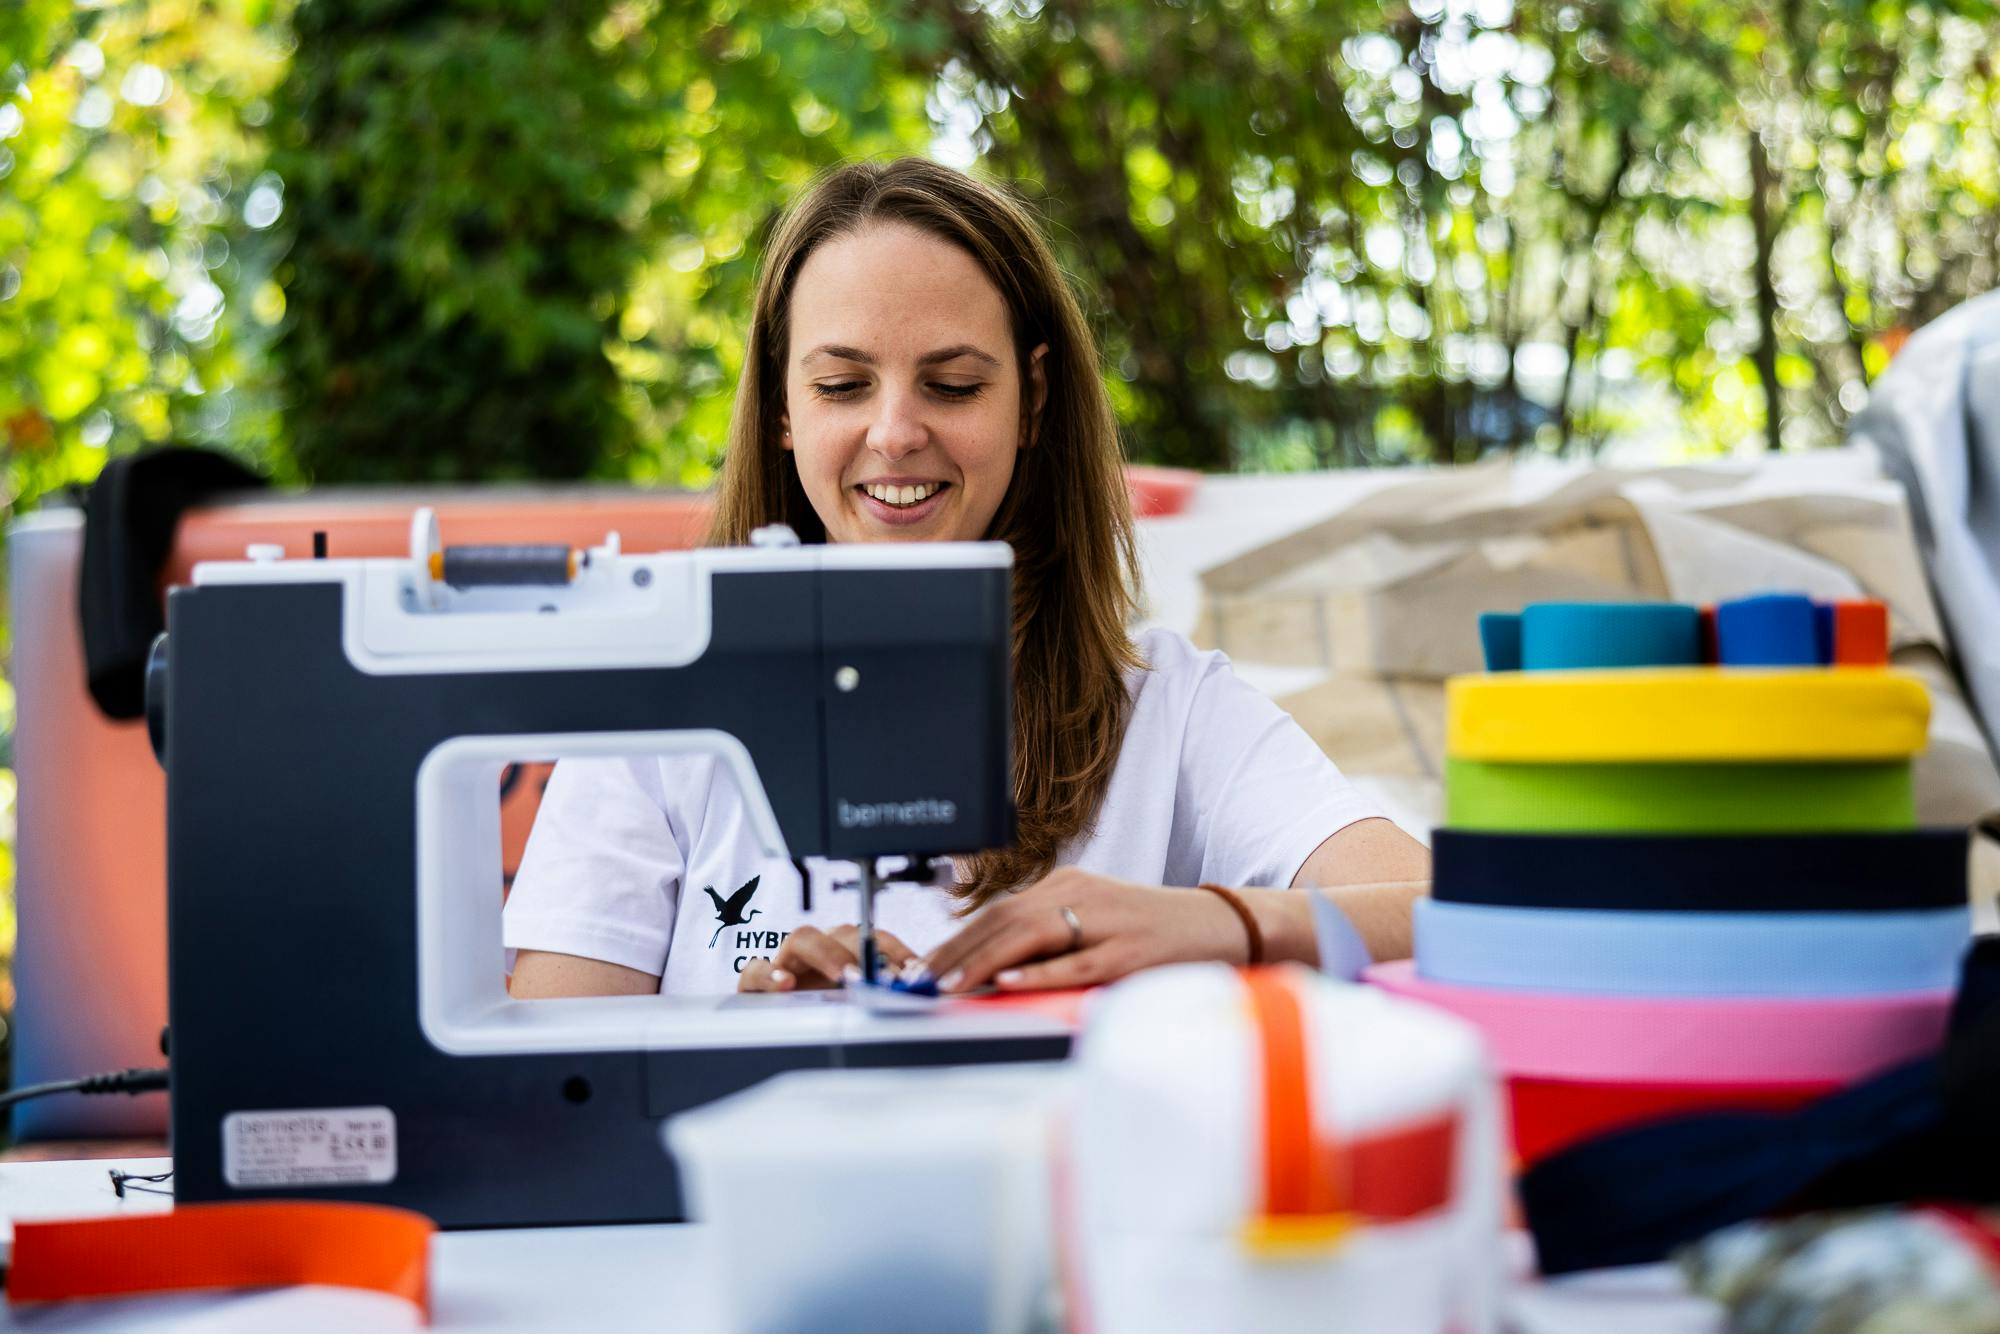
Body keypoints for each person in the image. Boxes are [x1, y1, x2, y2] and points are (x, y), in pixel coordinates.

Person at [504, 158, 1430, 1000]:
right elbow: (554, 1077)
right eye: (842, 387)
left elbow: (1445, 914)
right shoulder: (655, 717)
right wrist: (749, 1043)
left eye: (952, 385)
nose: (896, 433)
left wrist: (1211, 925)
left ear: (1033, 397)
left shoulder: (1171, 714)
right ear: (783, 406)